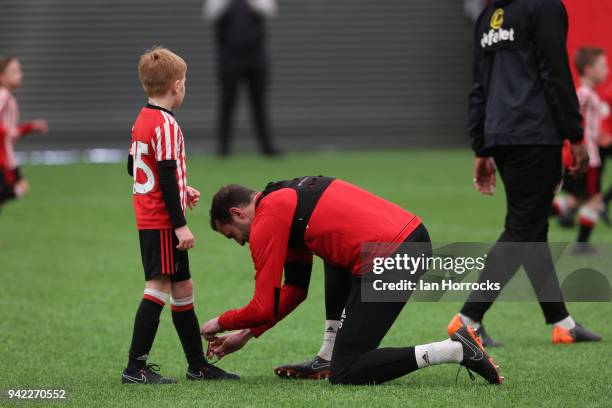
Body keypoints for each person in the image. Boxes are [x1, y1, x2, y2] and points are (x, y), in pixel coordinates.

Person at [201, 177, 503, 385]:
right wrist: (245, 335)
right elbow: (294, 291)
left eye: (233, 235)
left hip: (393, 255)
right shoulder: (282, 198)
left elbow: (264, 305)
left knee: (346, 373)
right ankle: (328, 355)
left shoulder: (268, 218)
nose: (240, 243)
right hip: (405, 241)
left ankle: (455, 350)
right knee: (330, 249)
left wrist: (220, 322)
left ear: (237, 213)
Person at [447, 0, 601, 346]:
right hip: (535, 134)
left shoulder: (488, 14)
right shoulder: (544, 6)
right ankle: (468, 318)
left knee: (531, 228)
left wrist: (481, 146)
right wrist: (575, 135)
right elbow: (555, 71)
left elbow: (478, 85)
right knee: (522, 229)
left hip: (500, 134)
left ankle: (562, 323)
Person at [121, 46, 238, 384]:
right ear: (176, 85)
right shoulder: (167, 124)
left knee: (183, 288)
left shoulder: (142, 118)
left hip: (152, 215)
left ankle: (197, 366)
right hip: (161, 220)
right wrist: (181, 223)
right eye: (184, 81)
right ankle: (135, 368)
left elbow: (135, 166)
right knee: (156, 290)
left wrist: (182, 188)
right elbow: (167, 173)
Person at [203, 0, 281, 157]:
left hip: (255, 57)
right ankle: (223, 148)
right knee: (227, 102)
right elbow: (210, 14)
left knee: (259, 102)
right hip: (229, 58)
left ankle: (267, 147)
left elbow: (270, 10)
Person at [553, 47, 609, 251]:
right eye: (602, 66)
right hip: (588, 158)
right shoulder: (584, 94)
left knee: (576, 199)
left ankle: (538, 212)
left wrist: (600, 136)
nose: (607, 70)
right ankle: (582, 245)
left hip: (583, 155)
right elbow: (569, 112)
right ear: (588, 69)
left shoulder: (590, 93)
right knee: (595, 200)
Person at [0, 56, 48, 210]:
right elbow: (8, 131)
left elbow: (11, 131)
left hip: (7, 157)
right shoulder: (3, 96)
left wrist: (31, 127)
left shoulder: (9, 98)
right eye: (14, 71)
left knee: (17, 189)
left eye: (19, 70)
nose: (19, 74)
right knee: (18, 188)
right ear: (2, 77)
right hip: (3, 159)